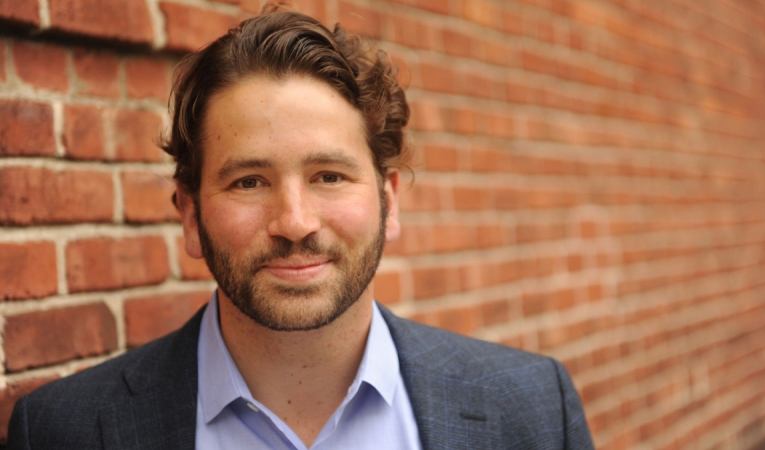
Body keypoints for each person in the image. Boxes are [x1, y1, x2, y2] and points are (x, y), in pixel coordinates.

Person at [7, 6, 594, 450]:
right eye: (249, 182)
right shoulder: (63, 430)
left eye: (329, 176)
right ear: (190, 215)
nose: (294, 223)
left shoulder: (531, 408)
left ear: (389, 202)